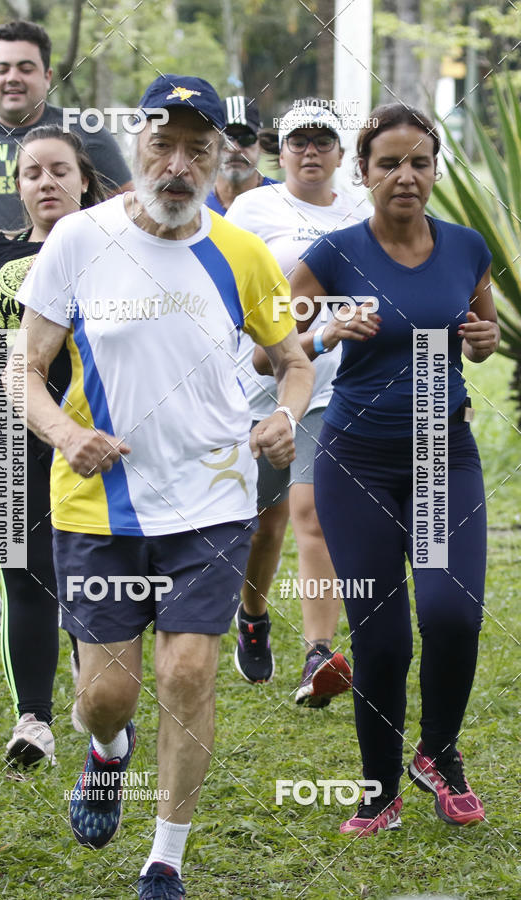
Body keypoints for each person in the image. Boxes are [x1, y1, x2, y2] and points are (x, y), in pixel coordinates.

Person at [14, 74, 313, 898]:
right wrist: (67, 433)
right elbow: (25, 371)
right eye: (163, 144)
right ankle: (109, 751)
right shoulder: (77, 239)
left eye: (198, 148)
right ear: (136, 148)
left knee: (187, 674)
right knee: (105, 695)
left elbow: (294, 363)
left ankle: (165, 858)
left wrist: (286, 414)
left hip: (211, 497)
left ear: (220, 158)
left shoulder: (242, 254)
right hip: (98, 505)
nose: (178, 163)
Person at [291, 103, 498, 834]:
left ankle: (438, 753)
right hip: (358, 461)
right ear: (364, 172)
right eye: (389, 163)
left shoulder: (467, 246)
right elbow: (268, 349)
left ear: (436, 170)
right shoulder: (334, 252)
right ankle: (379, 787)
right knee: (379, 634)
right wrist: (325, 332)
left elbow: (481, 330)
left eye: (419, 162)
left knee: (451, 613)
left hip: (442, 457)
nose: (405, 176)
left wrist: (483, 338)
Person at [0, 19, 132, 639]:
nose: (12, 77)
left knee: (63, 443)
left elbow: (126, 200)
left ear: (46, 74)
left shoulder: (79, 136)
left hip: (75, 326)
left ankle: (74, 577)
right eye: (1, 67)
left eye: (24, 67)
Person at [0, 125, 107, 764]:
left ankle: (93, 691)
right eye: (32, 173)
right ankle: (33, 720)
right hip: (7, 431)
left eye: (59, 170)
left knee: (87, 570)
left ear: (83, 179)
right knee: (22, 567)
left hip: (85, 431)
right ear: (19, 188)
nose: (46, 182)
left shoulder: (113, 249)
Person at [226, 100, 370, 703]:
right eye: (298, 143)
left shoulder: (363, 209)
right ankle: (252, 617)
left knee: (314, 515)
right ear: (278, 151)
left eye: (323, 142)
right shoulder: (252, 208)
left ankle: (317, 655)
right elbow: (224, 286)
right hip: (257, 381)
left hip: (333, 385)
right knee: (266, 522)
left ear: (342, 154)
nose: (311, 152)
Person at [205, 95, 277, 215]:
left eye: (246, 139)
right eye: (226, 139)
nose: (235, 148)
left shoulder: (282, 200)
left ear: (261, 144)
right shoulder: (194, 205)